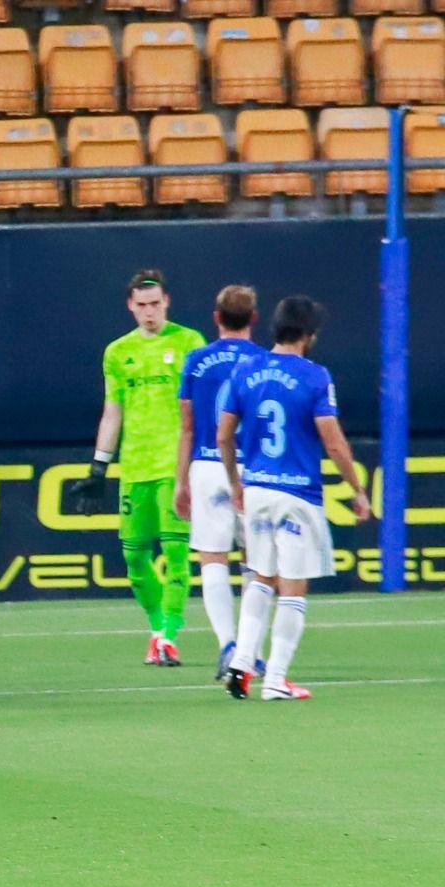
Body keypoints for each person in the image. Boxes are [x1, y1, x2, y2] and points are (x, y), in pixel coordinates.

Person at [218, 296, 371, 701]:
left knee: (261, 577)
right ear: (309, 334)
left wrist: (236, 483)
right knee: (292, 586)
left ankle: (241, 662)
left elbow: (223, 435)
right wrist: (357, 490)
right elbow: (333, 442)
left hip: (257, 488)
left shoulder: (244, 370)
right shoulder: (315, 376)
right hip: (297, 493)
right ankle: (275, 679)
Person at [68, 269, 207, 666]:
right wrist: (99, 468)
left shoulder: (189, 342)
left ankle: (168, 636)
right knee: (134, 560)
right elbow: (112, 412)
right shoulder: (117, 352)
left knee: (176, 553)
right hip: (135, 468)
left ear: (167, 302)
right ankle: (157, 628)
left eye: (155, 304)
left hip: (175, 466)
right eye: (142, 305)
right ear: (130, 305)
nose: (149, 312)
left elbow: (201, 406)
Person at [174, 285, 271, 680]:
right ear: (254, 318)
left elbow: (186, 426)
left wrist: (181, 481)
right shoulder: (264, 362)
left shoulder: (196, 361)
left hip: (207, 466)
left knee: (212, 557)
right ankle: (250, 653)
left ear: (216, 317)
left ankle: (227, 643)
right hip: (251, 469)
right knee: (256, 562)